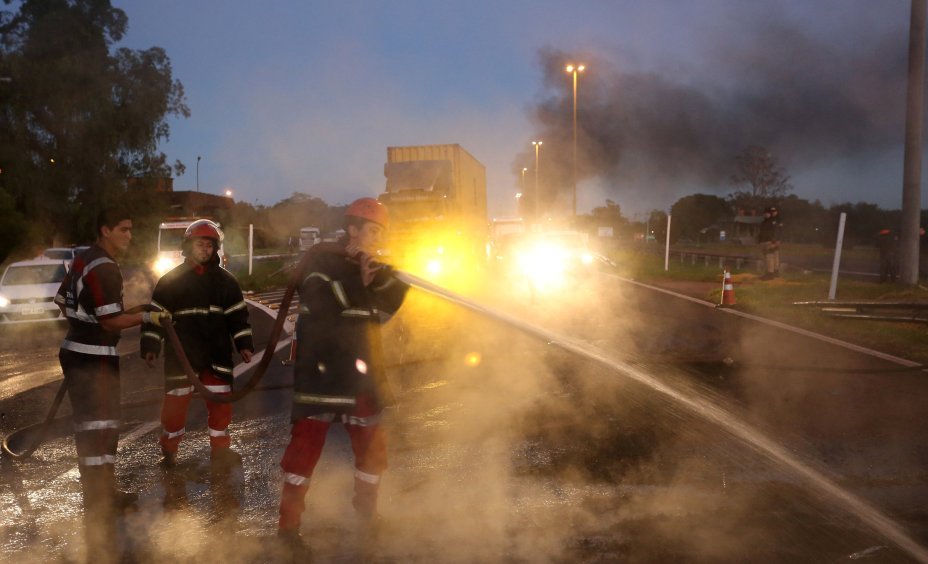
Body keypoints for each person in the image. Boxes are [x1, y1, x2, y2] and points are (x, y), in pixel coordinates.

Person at [277, 198, 410, 555]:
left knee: (372, 450)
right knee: (302, 454)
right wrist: (358, 278)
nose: (376, 238)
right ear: (352, 229)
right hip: (322, 377)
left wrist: (392, 282)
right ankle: (288, 532)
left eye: (381, 232)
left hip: (359, 376)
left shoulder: (364, 267)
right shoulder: (322, 261)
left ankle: (368, 515)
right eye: (372, 230)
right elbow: (320, 302)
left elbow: (381, 314)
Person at [55, 207, 171, 554]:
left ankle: (104, 492)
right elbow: (110, 322)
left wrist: (88, 322)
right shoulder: (104, 266)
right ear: (105, 230)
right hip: (93, 357)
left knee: (98, 425)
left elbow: (62, 301)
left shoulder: (82, 259)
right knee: (100, 427)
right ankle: (98, 501)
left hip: (78, 350)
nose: (129, 236)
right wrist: (147, 317)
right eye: (124, 229)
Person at [141, 219, 254, 470]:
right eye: (200, 244)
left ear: (215, 249)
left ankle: (221, 451)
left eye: (209, 245)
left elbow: (237, 316)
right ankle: (169, 452)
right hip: (182, 357)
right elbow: (155, 316)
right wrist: (150, 345)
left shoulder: (227, 282)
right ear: (188, 246)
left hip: (216, 355)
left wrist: (244, 344)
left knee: (221, 403)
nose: (205, 249)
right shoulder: (171, 281)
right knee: (174, 408)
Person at [757, 206, 781, 280]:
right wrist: (759, 241)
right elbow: (761, 232)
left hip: (769, 241)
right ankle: (767, 273)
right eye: (765, 213)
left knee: (770, 257)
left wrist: (774, 241)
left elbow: (775, 232)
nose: (765, 214)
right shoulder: (764, 222)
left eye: (767, 213)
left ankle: (770, 273)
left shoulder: (773, 222)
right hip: (764, 241)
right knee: (765, 258)